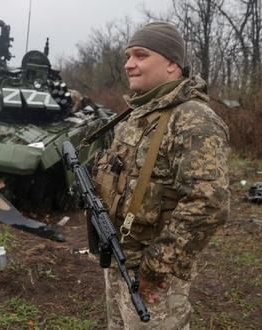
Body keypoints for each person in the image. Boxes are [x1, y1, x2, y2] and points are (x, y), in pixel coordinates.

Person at [93, 22, 230, 329]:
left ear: (172, 64)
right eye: (127, 56)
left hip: (153, 277)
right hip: (118, 260)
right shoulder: (138, 115)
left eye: (140, 55)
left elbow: (208, 203)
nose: (129, 64)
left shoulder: (192, 119)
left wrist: (154, 270)